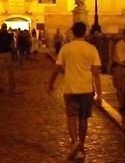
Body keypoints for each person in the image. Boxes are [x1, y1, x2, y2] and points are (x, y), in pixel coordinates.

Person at [48, 21, 102, 161]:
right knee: (83, 119)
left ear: (73, 31)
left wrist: (51, 84)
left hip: (71, 88)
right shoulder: (92, 49)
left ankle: (75, 143)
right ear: (85, 32)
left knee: (71, 117)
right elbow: (96, 73)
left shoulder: (66, 48)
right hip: (86, 88)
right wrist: (100, 93)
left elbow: (57, 68)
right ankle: (81, 145)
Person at [0, 23, 16, 92]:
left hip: (0, 53)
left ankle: (1, 86)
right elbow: (12, 45)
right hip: (8, 53)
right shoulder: (10, 35)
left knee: (1, 71)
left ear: (1, 28)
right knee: (10, 70)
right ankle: (12, 84)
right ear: (6, 28)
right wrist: (14, 53)